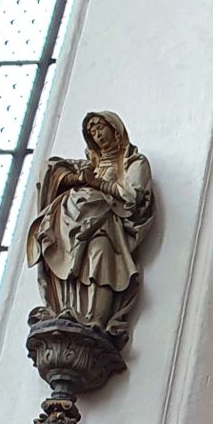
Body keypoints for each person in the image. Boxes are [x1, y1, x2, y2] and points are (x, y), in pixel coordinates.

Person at [25, 111, 153, 336]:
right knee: (72, 266)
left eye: (100, 127)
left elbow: (134, 196)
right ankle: (69, 311)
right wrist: (79, 179)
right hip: (74, 225)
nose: (97, 134)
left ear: (115, 129)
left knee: (100, 260)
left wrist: (99, 184)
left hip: (105, 226)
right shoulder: (91, 165)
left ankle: (95, 319)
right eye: (92, 131)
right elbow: (51, 169)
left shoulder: (133, 162)